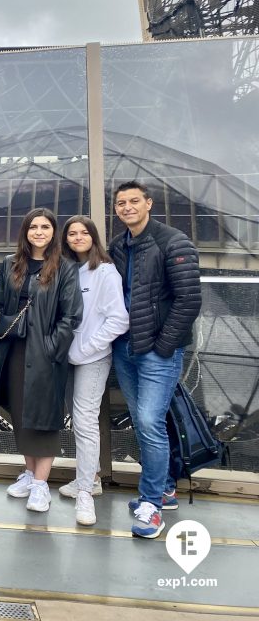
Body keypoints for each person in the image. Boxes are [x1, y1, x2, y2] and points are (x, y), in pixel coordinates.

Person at [108, 181, 201, 538]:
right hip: (125, 348)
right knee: (145, 420)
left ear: (148, 203)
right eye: (121, 203)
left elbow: (188, 301)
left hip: (157, 351)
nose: (127, 207)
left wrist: (164, 346)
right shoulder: (119, 246)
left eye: (134, 201)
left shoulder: (173, 242)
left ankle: (151, 505)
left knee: (148, 421)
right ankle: (164, 488)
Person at [0, 208, 82, 514]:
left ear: (53, 232)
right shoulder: (10, 264)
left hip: (45, 355)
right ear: (25, 231)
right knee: (21, 414)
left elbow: (71, 315)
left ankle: (41, 485)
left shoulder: (64, 268)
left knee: (44, 418)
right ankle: (29, 474)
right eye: (33, 227)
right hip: (13, 351)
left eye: (45, 227)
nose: (38, 232)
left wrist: (53, 347)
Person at [60, 215, 129, 526]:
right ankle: (90, 477)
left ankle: (86, 490)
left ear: (93, 237)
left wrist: (86, 349)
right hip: (65, 356)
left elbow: (118, 320)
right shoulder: (67, 269)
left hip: (91, 358)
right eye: (72, 233)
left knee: (86, 421)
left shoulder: (105, 271)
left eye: (83, 232)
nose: (77, 237)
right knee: (76, 419)